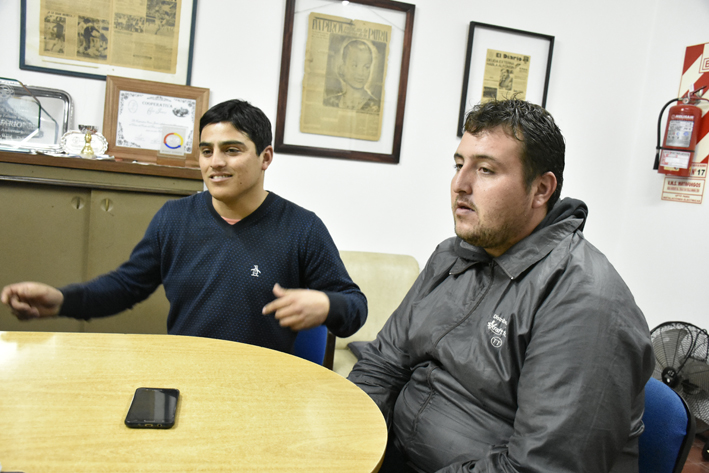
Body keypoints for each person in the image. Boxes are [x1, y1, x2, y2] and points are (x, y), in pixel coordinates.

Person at [348, 99, 654, 473]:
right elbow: (383, 362)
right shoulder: (452, 255)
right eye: (459, 165)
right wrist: (350, 438)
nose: (460, 185)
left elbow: (540, 468)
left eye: (486, 170)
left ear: (541, 189)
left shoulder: (585, 300)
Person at [1, 99, 367, 354]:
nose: (215, 163)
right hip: (183, 375)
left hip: (262, 385)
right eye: (206, 151)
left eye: (232, 150)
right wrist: (62, 300)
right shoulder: (174, 219)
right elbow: (126, 286)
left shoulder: (301, 228)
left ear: (265, 157)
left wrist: (327, 304)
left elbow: (355, 306)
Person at [324, 39, 380, 113]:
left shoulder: (376, 107)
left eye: (366, 67)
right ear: (343, 68)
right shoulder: (329, 102)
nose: (361, 73)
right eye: (354, 65)